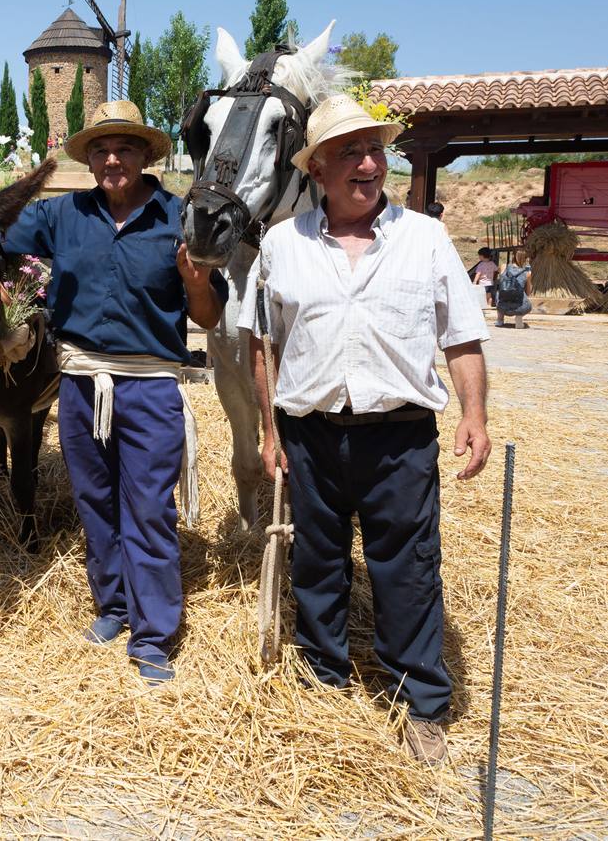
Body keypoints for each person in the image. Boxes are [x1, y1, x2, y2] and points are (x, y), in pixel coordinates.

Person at [0, 101, 228, 685]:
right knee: (96, 505)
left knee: (150, 511)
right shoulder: (61, 216)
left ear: (146, 155)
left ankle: (154, 633)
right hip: (80, 382)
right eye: (102, 149)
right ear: (90, 157)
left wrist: (196, 281)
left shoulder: (179, 219)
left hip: (150, 386)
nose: (113, 159)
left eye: (126, 148)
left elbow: (208, 315)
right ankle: (112, 609)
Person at [238, 94, 492, 764]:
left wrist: (473, 415)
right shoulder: (279, 244)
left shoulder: (424, 238)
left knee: (406, 571)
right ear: (316, 170)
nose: (367, 163)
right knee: (315, 565)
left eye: (374, 150)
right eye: (348, 152)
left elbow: (462, 336)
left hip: (399, 438)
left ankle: (420, 702)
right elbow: (261, 346)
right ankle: (323, 678)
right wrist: (269, 432)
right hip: (309, 436)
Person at [495, 248, 533, 328]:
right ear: (526, 259)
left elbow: (500, 280)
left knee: (500, 293)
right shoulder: (527, 273)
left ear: (513, 256)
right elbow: (528, 292)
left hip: (502, 307)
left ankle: (500, 320)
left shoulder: (503, 267)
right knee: (527, 302)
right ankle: (519, 317)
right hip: (519, 308)